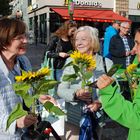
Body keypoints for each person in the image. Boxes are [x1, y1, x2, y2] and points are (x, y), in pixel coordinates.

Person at [0, 17, 56, 140]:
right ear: (4, 41)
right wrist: (15, 122)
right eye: (19, 38)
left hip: (25, 134)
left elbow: (27, 93)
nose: (25, 40)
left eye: (25, 36)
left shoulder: (23, 62)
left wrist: (38, 98)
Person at [57, 26, 113, 140]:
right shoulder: (71, 61)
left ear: (93, 41)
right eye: (77, 39)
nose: (79, 43)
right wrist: (76, 94)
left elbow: (115, 91)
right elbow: (60, 90)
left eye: (83, 39)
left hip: (97, 118)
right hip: (74, 118)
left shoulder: (106, 63)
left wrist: (99, 103)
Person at [95, 28, 140, 140]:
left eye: (138, 44)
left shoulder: (107, 63)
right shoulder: (115, 38)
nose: (134, 49)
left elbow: (137, 117)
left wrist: (108, 93)